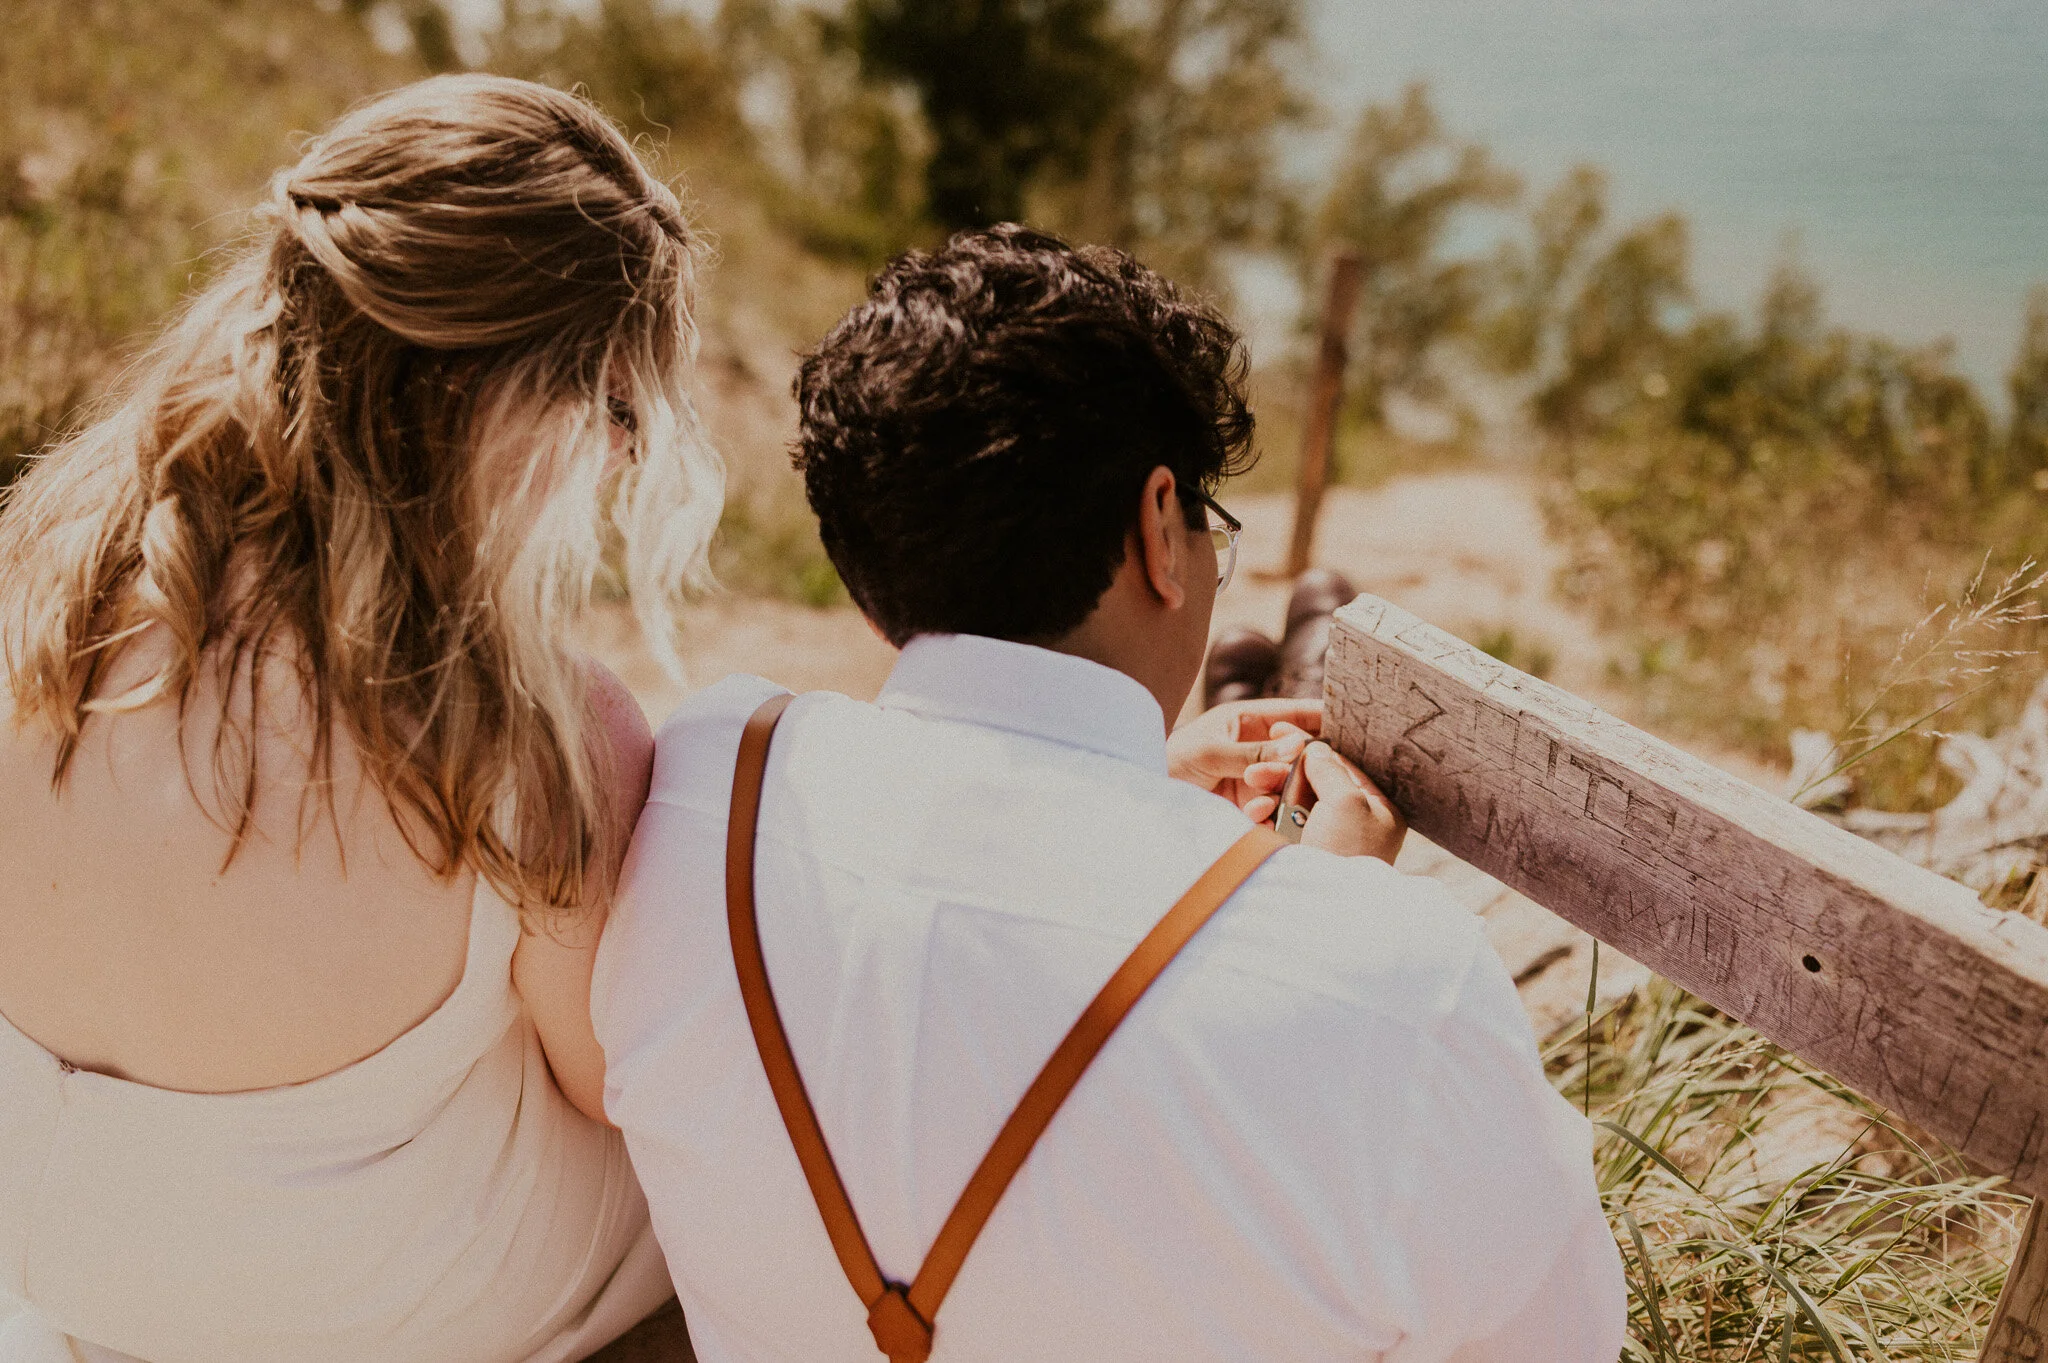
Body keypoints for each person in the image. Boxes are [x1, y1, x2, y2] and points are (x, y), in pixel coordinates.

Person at [594, 225, 1627, 1361]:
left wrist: (1158, 803)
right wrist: (1310, 911)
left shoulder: (703, 779)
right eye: (1206, 525)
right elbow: (1562, 1338)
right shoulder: (1396, 981)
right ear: (1156, 529)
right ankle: (1295, 657)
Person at [0, 75, 718, 1362]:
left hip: (59, 1257)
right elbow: (605, 1084)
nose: (615, 464)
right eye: (614, 409)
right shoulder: (532, 729)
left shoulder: (42, 578)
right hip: (338, 1307)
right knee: (710, 1187)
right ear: (512, 394)